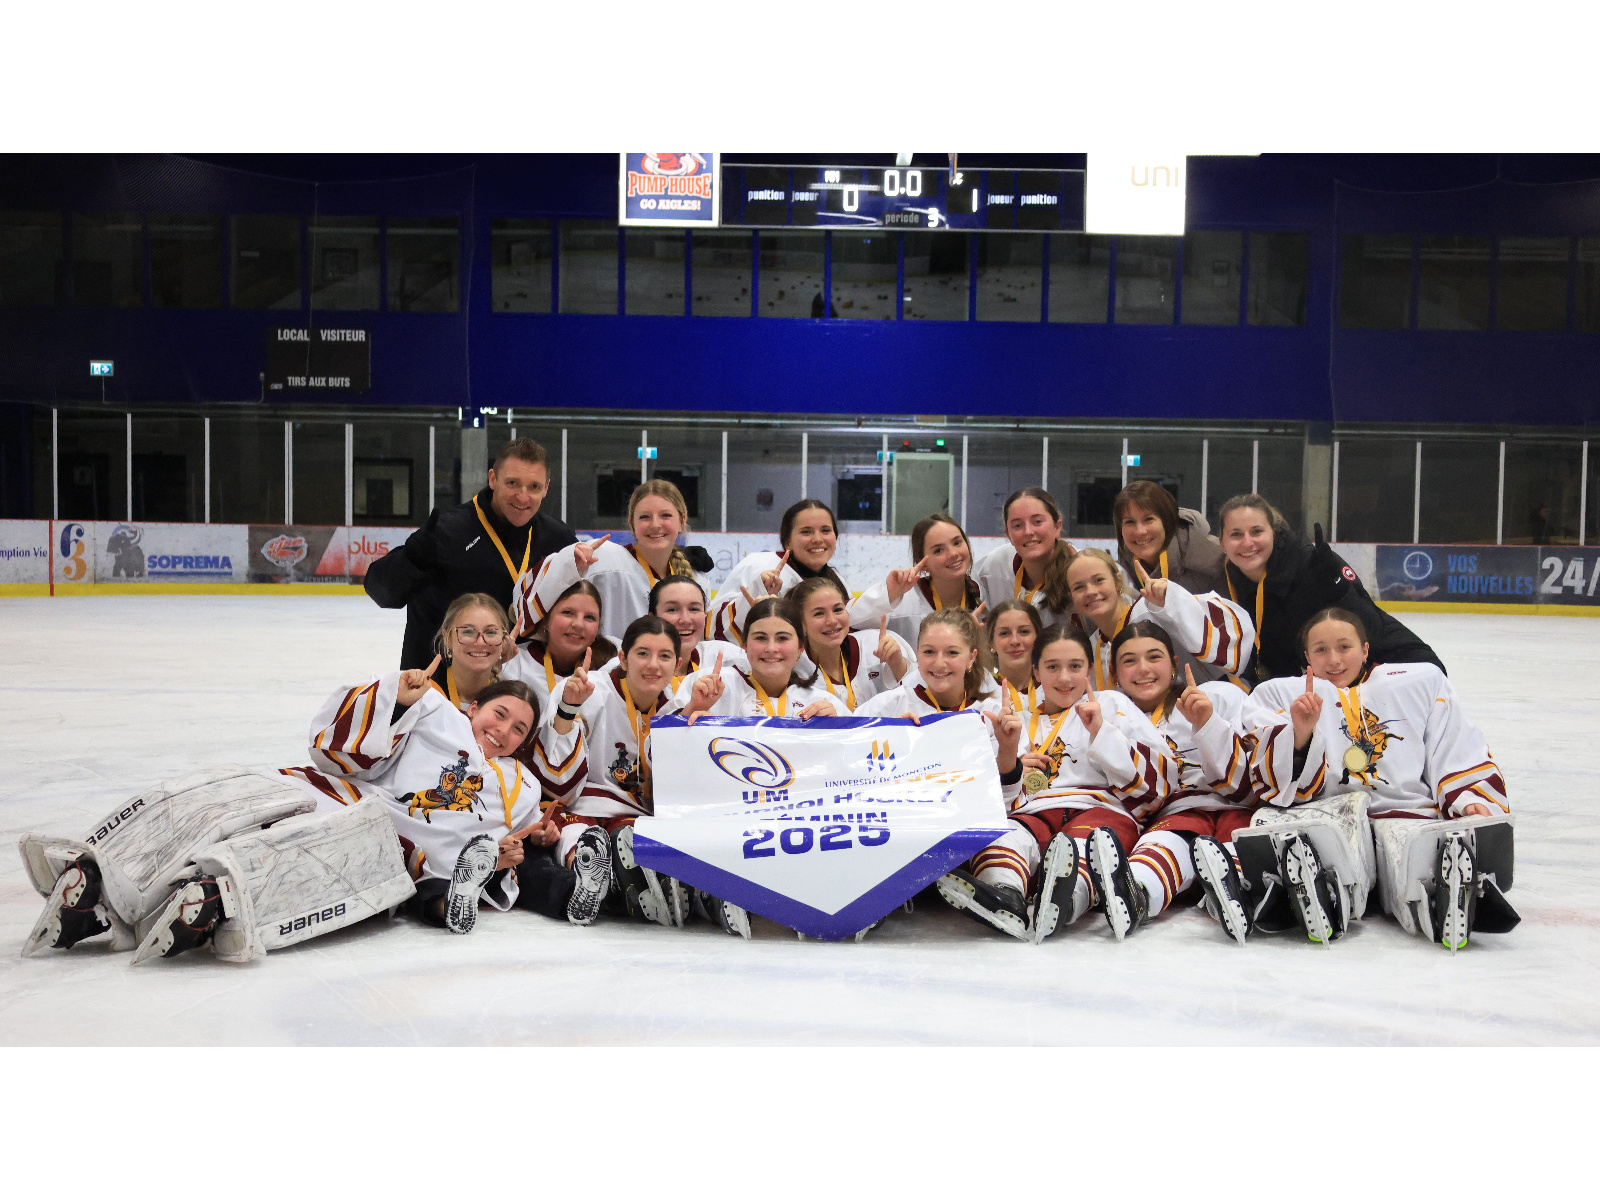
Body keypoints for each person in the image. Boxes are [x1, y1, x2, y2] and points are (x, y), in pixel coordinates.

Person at [1235, 608, 1517, 950]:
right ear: (1307, 656)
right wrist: (1300, 733)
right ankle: (1323, 895)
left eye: (1344, 647)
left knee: (1409, 852)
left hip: (1404, 814)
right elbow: (1270, 779)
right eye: (1321, 650)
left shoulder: (1420, 681)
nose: (1334, 659)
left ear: (1366, 649)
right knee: (1330, 846)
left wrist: (1469, 797)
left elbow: (1453, 744)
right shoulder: (1279, 694)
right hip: (1330, 814)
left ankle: (1440, 899)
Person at [20, 765, 414, 965]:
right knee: (206, 801)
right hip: (292, 789)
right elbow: (328, 742)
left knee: (365, 836)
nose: (479, 642)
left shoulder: (472, 783)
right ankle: (110, 891)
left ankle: (206, 899)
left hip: (338, 815)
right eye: (468, 630)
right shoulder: (421, 710)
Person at [928, 624, 1175, 942]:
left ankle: (1065, 901)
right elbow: (991, 801)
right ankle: (1004, 896)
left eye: (1075, 667)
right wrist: (1007, 753)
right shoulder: (1010, 715)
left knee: (1092, 844)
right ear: (1036, 671)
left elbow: (1161, 783)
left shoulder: (1112, 704)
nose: (1064, 678)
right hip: (1032, 812)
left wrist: (1102, 732)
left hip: (1099, 810)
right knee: (1005, 834)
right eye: (1052, 667)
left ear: (1090, 670)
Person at [513, 615, 710, 931]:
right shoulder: (586, 690)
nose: (652, 665)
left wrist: (688, 719)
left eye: (664, 656)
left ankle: (667, 885)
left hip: (637, 819)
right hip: (581, 810)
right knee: (582, 840)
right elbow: (558, 784)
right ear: (622, 658)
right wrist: (568, 710)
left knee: (642, 840)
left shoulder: (679, 705)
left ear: (678, 665)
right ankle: (594, 872)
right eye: (642, 653)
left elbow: (678, 790)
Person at [1091, 622, 1260, 945]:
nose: (1143, 669)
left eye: (1154, 657)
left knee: (1240, 843)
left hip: (1235, 807)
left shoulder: (1218, 696)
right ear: (1113, 672)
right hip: (1176, 815)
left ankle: (1238, 894)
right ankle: (1136, 895)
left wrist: (1207, 724)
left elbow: (1251, 778)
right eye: (1129, 661)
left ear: (1173, 663)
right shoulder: (1107, 714)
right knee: (1162, 844)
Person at [365, 438, 575, 669]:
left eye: (534, 486)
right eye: (512, 483)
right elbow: (381, 593)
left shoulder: (558, 539)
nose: (523, 497)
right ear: (493, 479)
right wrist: (410, 561)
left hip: (519, 689)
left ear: (546, 487)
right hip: (440, 689)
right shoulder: (449, 531)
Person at [1217, 493, 1442, 682]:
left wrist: (1341, 594)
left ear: (1273, 533)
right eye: (1236, 534)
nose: (1247, 542)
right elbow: (1276, 661)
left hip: (1400, 667)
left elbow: (1371, 629)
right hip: (1332, 683)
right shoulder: (1232, 580)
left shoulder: (1311, 564)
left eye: (1257, 532)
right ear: (1222, 542)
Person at [516, 479, 709, 641]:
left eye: (665, 515)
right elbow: (526, 603)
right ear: (631, 524)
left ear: (682, 520)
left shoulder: (696, 581)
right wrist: (569, 565)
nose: (655, 524)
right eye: (645, 517)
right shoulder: (604, 559)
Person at [1066, 546, 1253, 689]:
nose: (1090, 591)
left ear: (1118, 581)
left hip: (1216, 712)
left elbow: (1233, 635)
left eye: (1099, 580)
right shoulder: (1093, 647)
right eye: (1079, 587)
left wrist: (1174, 600)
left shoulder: (1154, 610)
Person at [709, 499, 846, 644]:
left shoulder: (836, 579)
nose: (818, 539)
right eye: (806, 532)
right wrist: (755, 601)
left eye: (825, 530)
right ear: (787, 542)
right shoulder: (758, 565)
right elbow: (711, 628)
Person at [849, 513, 984, 645]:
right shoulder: (902, 604)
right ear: (922, 563)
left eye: (957, 542)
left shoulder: (985, 596)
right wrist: (888, 595)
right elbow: (847, 622)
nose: (954, 553)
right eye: (938, 550)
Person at [791, 575, 912, 712]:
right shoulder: (793, 666)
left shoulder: (877, 643)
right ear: (800, 623)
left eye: (838, 610)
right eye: (819, 613)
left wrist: (898, 665)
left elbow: (918, 700)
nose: (832, 621)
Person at [501, 580, 619, 717]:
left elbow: (650, 715)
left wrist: (652, 733)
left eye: (589, 617)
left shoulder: (614, 664)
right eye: (568, 613)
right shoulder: (513, 664)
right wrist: (492, 665)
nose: (579, 624)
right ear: (545, 620)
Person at [973, 487, 1077, 628]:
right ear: (1008, 534)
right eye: (1017, 525)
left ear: (1057, 526)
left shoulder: (1081, 569)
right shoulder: (994, 565)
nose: (1028, 531)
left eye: (1037, 522)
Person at [1113, 479, 1227, 595]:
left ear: (1168, 521)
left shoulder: (1217, 559)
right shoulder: (1123, 567)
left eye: (1149, 519)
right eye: (1129, 522)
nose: (1140, 531)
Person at [421, 592, 518, 712]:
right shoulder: (421, 696)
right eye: (468, 632)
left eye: (491, 632)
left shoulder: (510, 704)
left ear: (504, 640)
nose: (480, 642)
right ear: (447, 638)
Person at [984, 599, 1043, 712]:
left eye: (1024, 631)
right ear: (991, 643)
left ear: (1038, 638)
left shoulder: (1054, 687)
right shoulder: (979, 689)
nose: (1015, 641)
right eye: (1004, 633)